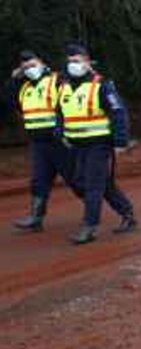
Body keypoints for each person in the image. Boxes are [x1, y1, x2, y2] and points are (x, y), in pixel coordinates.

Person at [59, 43, 137, 245]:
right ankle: (127, 213)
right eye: (69, 62)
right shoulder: (64, 86)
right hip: (77, 145)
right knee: (81, 181)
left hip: (99, 144)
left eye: (76, 61)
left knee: (93, 184)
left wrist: (120, 141)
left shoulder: (100, 85)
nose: (72, 65)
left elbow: (118, 112)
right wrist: (62, 134)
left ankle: (89, 226)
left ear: (87, 62)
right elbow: (60, 113)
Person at [7, 51, 74, 232]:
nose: (30, 69)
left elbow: (71, 102)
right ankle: (36, 219)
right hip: (38, 142)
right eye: (25, 67)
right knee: (39, 180)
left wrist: (64, 131)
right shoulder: (25, 88)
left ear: (41, 62)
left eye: (32, 64)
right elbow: (10, 103)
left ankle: (106, 212)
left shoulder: (56, 79)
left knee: (76, 179)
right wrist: (14, 80)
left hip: (59, 141)